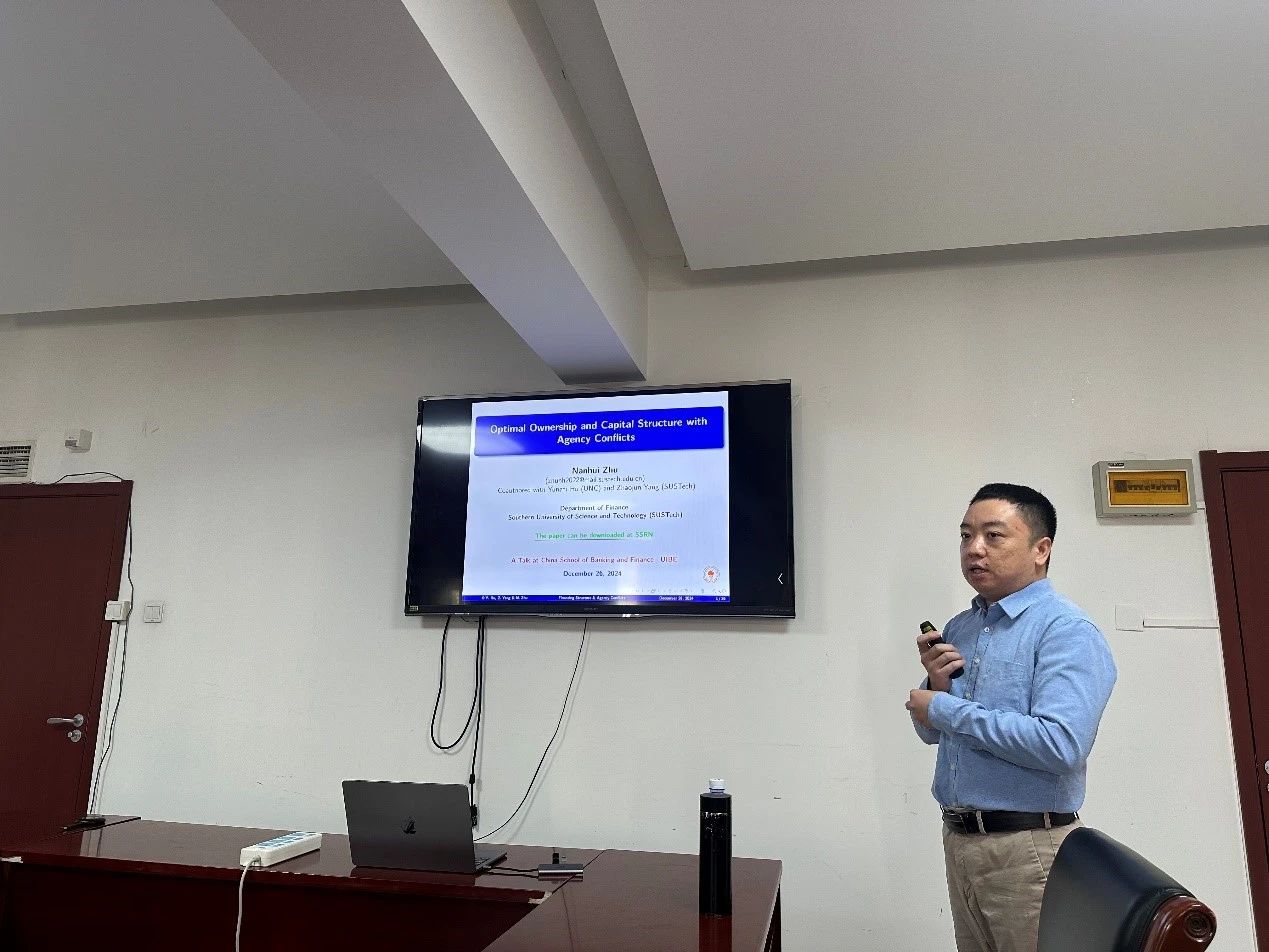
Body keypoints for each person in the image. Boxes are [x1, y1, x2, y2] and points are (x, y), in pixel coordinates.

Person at [906, 483, 1116, 952]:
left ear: (1041, 549)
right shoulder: (961, 626)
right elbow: (932, 731)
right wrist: (936, 690)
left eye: (993, 535)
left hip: (1029, 849)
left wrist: (945, 708)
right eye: (966, 535)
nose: (974, 549)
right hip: (959, 840)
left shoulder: (1067, 630)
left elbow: (1061, 745)